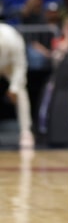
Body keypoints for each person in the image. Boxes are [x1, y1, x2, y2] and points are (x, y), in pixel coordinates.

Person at [0, 21, 35, 149]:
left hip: (10, 64)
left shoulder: (13, 39)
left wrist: (13, 89)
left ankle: (26, 132)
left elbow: (20, 66)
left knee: (21, 92)